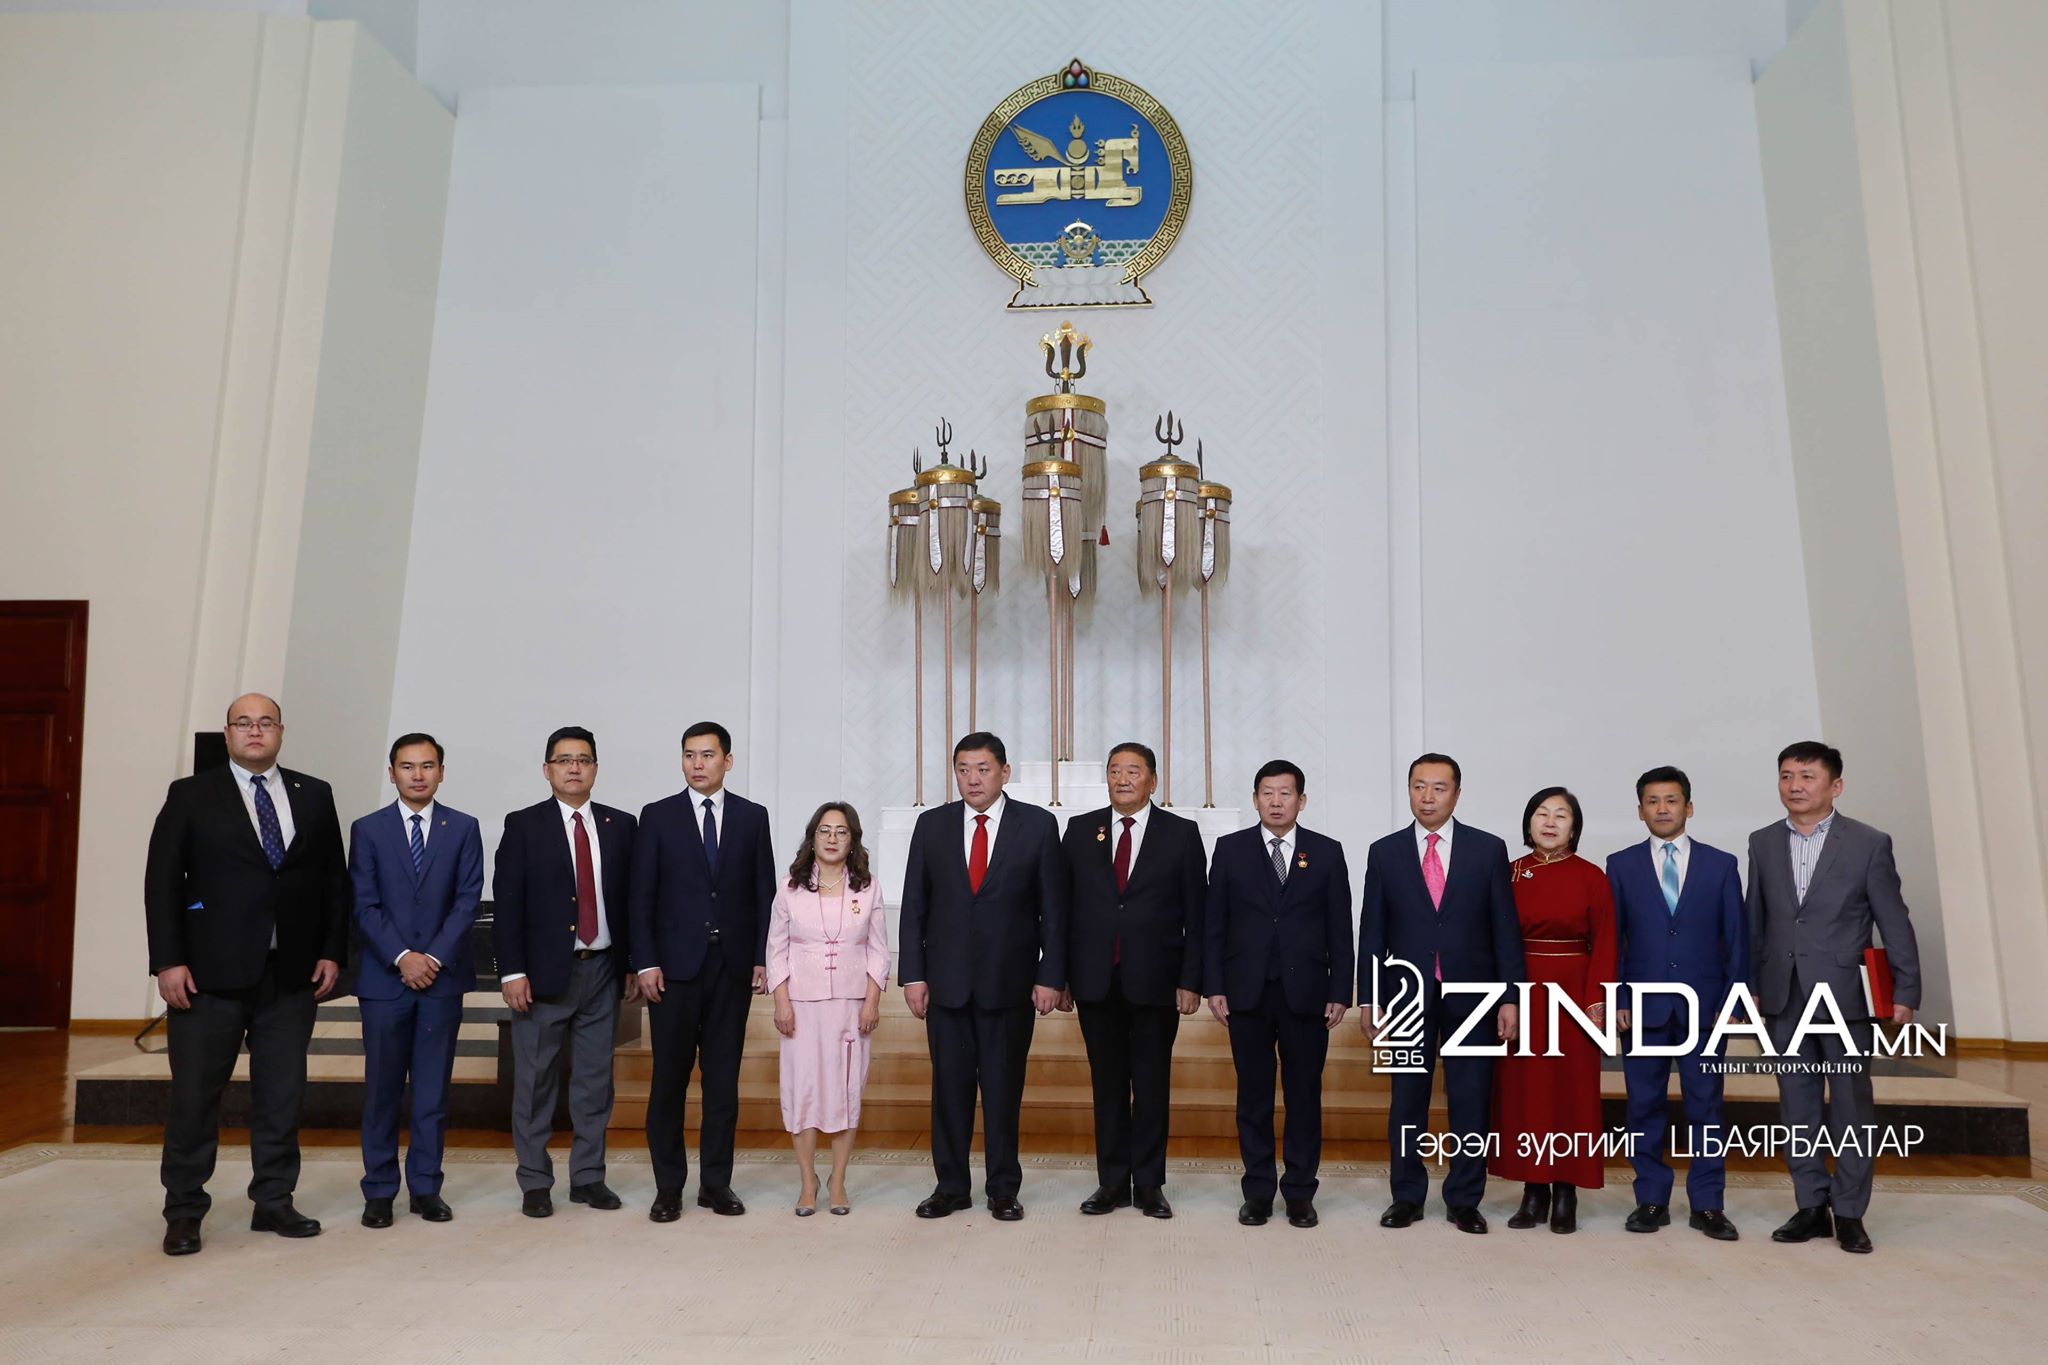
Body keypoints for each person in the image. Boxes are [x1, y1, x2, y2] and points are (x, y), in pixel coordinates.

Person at [143, 693, 348, 1256]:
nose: (255, 731)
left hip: (291, 974)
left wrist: (332, 951)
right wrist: (168, 960)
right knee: (194, 1098)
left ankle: (274, 1200)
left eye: (265, 722)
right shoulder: (191, 794)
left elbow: (333, 879)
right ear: (228, 733)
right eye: (243, 723)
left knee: (282, 1095)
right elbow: (162, 881)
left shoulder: (314, 793)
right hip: (207, 975)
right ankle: (184, 1210)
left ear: (281, 731)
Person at [1749, 741, 1921, 1254]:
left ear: (1835, 786)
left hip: (1845, 996)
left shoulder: (1868, 843)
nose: (1795, 785)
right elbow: (1756, 920)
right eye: (1786, 776)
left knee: (1850, 1105)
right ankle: (1810, 1205)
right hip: (1783, 995)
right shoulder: (1762, 842)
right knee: (1796, 1106)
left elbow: (1894, 920)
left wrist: (1906, 989)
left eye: (1807, 776)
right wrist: (1750, 986)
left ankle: (1848, 1211)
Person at [899, 731, 1066, 1221]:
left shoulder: (1037, 825)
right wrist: (913, 975)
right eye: (963, 769)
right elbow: (914, 905)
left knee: (1002, 1092)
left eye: (983, 769)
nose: (972, 779)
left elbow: (1053, 911)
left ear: (1005, 772)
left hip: (1010, 985)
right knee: (949, 1092)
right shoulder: (932, 825)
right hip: (945, 984)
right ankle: (950, 1187)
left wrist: (1050, 976)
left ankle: (1003, 1189)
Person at [1360, 753, 1524, 1235]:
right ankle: (1406, 1196)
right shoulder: (1385, 852)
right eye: (1419, 786)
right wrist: (1370, 996)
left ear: (1457, 793)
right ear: (1409, 790)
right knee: (1406, 1099)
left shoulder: (1487, 849)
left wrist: (1511, 996)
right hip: (1406, 996)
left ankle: (1464, 1199)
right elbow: (1373, 930)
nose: (1427, 797)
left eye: (1438, 788)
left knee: (1471, 1098)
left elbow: (1505, 929)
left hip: (1475, 994)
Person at [630, 720, 776, 1221]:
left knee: (722, 1083)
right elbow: (641, 896)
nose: (698, 764)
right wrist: (645, 961)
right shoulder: (657, 816)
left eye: (708, 755)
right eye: (689, 755)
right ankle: (668, 1188)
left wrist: (761, 956)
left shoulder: (753, 817)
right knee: (668, 1082)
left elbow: (763, 893)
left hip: (730, 969)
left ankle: (716, 1184)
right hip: (672, 971)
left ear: (727, 761)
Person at [493, 725, 638, 1218]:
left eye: (583, 759)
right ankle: (535, 1181)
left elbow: (631, 902)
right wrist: (511, 972)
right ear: (547, 769)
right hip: (541, 976)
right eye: (564, 760)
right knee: (535, 1082)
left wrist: (632, 963)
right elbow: (508, 904)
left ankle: (588, 1177)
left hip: (603, 970)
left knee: (595, 1082)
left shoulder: (621, 825)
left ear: (595, 768)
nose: (574, 768)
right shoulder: (524, 825)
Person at [1204, 759, 1353, 1229]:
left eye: (1285, 793)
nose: (1275, 801)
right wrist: (1214, 986)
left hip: (1307, 993)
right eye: (1267, 793)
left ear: (1301, 801)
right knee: (1253, 1096)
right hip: (1245, 993)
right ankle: (1258, 1192)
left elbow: (1340, 928)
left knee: (1304, 1095)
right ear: (1255, 799)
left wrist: (1340, 989)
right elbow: (1214, 924)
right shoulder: (1230, 850)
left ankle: (1300, 1193)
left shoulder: (1326, 852)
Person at [1060, 742, 1206, 1219]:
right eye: (1115, 771)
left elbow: (1197, 915)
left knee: (1151, 1085)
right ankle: (1111, 1182)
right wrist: (1060, 975)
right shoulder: (1080, 830)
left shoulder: (1181, 834)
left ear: (1153, 781)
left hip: (1157, 982)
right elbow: (1061, 910)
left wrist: (1191, 979)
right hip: (1095, 980)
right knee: (1106, 1085)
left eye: (1133, 771)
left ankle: (1149, 1184)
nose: (1123, 779)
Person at [348, 732, 484, 1227]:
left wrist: (433, 958)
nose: (418, 775)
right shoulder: (368, 829)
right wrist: (404, 956)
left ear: (441, 772)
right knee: (382, 1091)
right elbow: (364, 904)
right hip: (384, 982)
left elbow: (467, 900)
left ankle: (426, 1187)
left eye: (428, 766)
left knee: (431, 1093)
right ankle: (379, 1190)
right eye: (407, 766)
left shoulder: (463, 827)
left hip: (442, 981)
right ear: (392, 774)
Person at [1609, 765, 1745, 1240]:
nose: (1662, 809)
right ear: (1640, 810)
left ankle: (1708, 1204)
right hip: (1642, 1007)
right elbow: (1614, 941)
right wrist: (1618, 996)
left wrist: (1733, 1001)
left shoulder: (1721, 864)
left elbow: (1736, 938)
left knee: (1706, 1106)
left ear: (1689, 807)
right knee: (1643, 1105)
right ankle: (1650, 1199)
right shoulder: (1620, 865)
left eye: (1671, 800)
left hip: (1705, 1008)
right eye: (1652, 801)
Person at [1488, 787, 1615, 1234]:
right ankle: (1533, 1188)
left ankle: (1566, 1191)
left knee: (1572, 1093)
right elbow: (1492, 938)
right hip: (1521, 991)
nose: (1550, 821)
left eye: (1561, 815)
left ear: (1574, 827)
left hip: (1574, 994)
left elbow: (1605, 943)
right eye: (1542, 813)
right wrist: (1502, 997)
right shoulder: (1508, 874)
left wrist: (1596, 1002)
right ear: (1528, 823)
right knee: (1526, 1091)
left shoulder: (1592, 877)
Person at [766, 803, 889, 1216]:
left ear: (852, 840)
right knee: (801, 1091)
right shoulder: (790, 888)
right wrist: (781, 1002)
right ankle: (807, 1182)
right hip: (801, 1005)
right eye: (825, 830)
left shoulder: (867, 888)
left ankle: (837, 1180)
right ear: (812, 837)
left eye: (841, 831)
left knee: (845, 1092)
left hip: (851, 1006)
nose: (832, 838)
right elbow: (776, 949)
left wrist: (872, 1000)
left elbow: (878, 949)